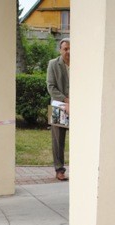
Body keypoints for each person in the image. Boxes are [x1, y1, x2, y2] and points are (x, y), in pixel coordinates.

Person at [47, 38, 70, 181]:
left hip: (79, 106)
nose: (68, 51)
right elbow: (50, 86)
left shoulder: (82, 63)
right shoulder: (53, 64)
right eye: (65, 49)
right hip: (58, 105)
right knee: (57, 140)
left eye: (70, 48)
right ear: (60, 50)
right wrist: (66, 100)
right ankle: (59, 170)